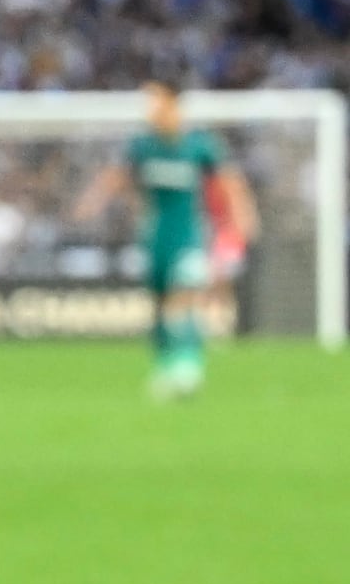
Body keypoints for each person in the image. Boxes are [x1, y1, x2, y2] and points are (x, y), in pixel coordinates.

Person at [81, 82, 255, 399]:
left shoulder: (200, 145)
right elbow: (116, 177)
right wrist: (93, 201)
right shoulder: (142, 146)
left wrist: (242, 217)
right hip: (155, 236)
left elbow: (230, 183)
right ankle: (165, 365)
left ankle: (189, 365)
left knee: (183, 297)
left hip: (188, 235)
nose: (148, 107)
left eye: (154, 100)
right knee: (161, 303)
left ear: (172, 103)